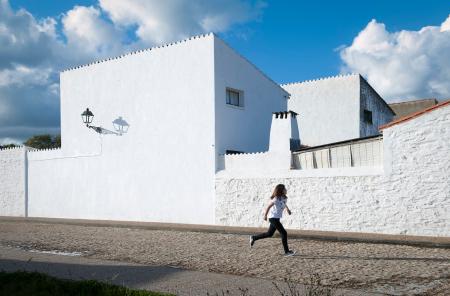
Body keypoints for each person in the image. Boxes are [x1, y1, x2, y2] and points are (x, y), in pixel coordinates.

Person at [249, 184, 295, 256]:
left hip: (277, 218)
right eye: (284, 189)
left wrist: (287, 209)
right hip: (273, 218)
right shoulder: (276, 199)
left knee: (269, 234)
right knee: (284, 233)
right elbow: (269, 207)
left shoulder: (284, 198)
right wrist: (265, 216)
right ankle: (287, 252)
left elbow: (284, 204)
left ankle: (254, 237)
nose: (286, 190)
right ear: (281, 190)